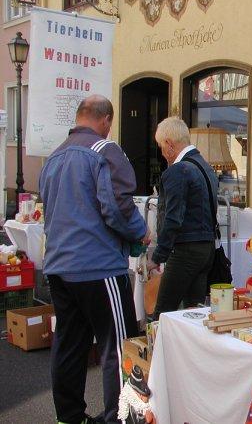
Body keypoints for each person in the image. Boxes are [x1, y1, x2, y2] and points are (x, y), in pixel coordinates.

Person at [40, 95, 148, 424]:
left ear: (79, 117)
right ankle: (122, 415)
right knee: (119, 346)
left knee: (69, 345)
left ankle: (70, 416)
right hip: (98, 266)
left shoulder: (54, 156)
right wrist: (140, 231)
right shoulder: (104, 151)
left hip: (59, 266)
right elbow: (116, 206)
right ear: (105, 121)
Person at [149, 117, 218, 318]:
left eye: (161, 146)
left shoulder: (178, 170)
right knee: (193, 314)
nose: (162, 153)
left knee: (163, 314)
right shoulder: (205, 166)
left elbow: (173, 218)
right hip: (206, 249)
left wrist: (158, 257)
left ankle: (158, 350)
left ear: (170, 144)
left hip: (185, 250)